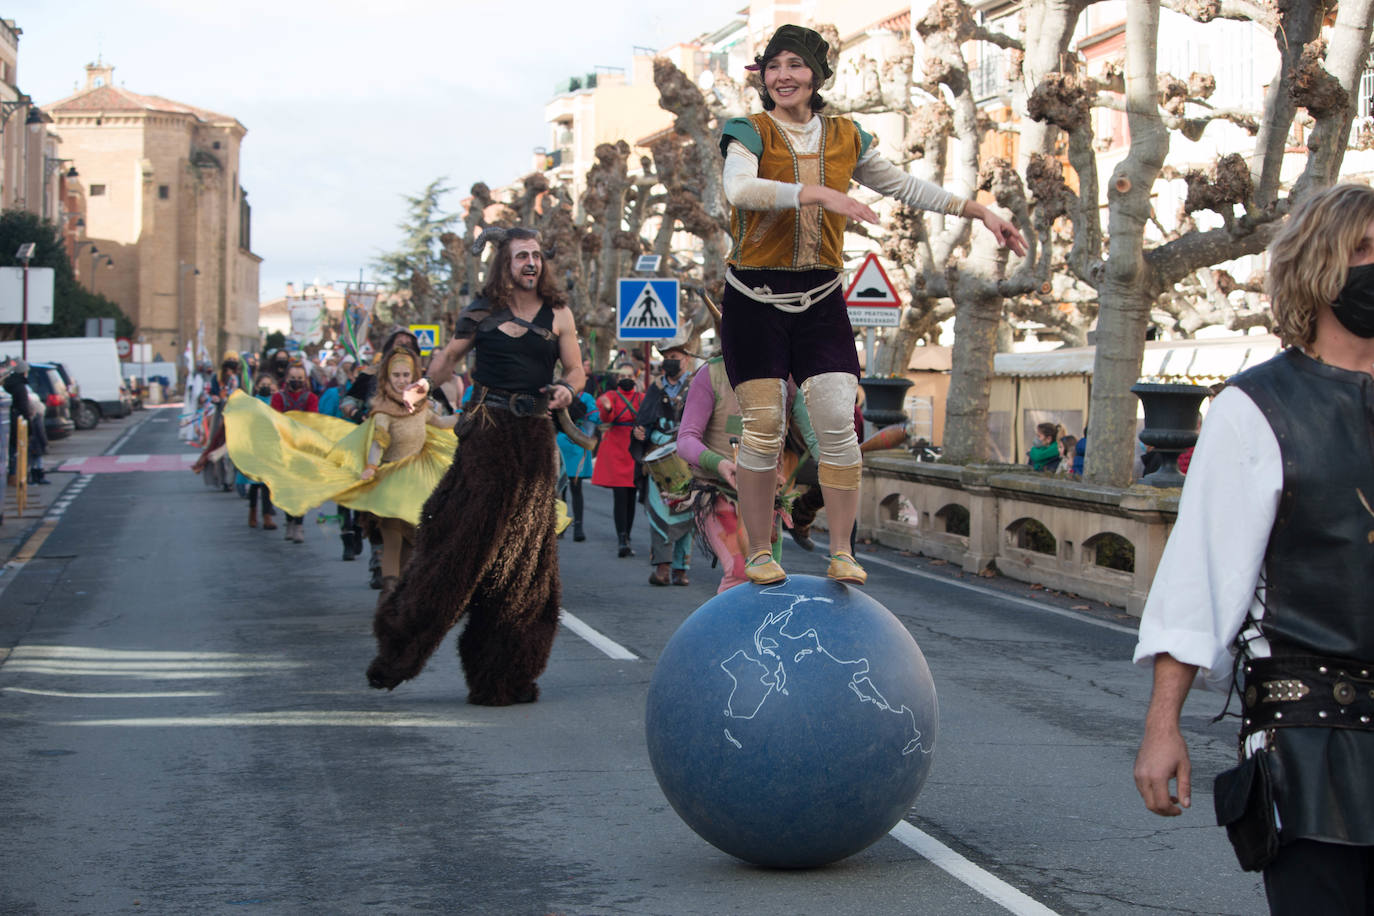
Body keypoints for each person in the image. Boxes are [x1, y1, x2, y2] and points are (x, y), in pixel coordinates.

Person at [1132, 183, 1374, 914]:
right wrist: (1162, 725)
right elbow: (1201, 577)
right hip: (1311, 734)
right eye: (1362, 250)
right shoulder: (1256, 408)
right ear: (1318, 267)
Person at [719, 24, 1028, 586]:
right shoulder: (748, 131)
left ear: (816, 73)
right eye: (774, 66)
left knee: (838, 420)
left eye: (796, 64)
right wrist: (814, 193)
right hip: (753, 298)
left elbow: (904, 186)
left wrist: (977, 210)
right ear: (763, 77)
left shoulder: (845, 137)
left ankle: (842, 552)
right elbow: (739, 190)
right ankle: (759, 551)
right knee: (765, 425)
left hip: (820, 297)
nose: (784, 76)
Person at [365, 226, 586, 705]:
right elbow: (448, 358)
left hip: (532, 440)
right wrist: (423, 387)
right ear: (503, 265)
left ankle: (502, 676)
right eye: (520, 256)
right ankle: (400, 645)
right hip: (486, 432)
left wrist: (569, 389)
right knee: (461, 546)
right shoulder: (481, 312)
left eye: (535, 255)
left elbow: (575, 369)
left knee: (524, 564)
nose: (530, 263)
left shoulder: (560, 314)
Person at [634, 333, 696, 586]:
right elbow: (644, 418)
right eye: (667, 357)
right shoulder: (655, 388)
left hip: (686, 458)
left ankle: (681, 569)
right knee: (658, 512)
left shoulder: (696, 386)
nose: (670, 362)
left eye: (675, 357)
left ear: (687, 360)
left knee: (686, 512)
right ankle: (662, 567)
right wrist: (639, 432)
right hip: (657, 460)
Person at [593, 365, 643, 558]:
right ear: (617, 378)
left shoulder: (641, 397)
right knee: (620, 496)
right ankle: (622, 538)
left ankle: (627, 537)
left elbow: (647, 418)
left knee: (631, 497)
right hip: (615, 448)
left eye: (629, 375)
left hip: (634, 450)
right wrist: (606, 408)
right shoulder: (610, 396)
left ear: (635, 377)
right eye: (622, 376)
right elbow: (605, 416)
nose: (625, 378)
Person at [270, 361, 319, 543]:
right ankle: (289, 520)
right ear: (287, 379)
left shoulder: (310, 398)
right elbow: (275, 419)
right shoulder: (278, 397)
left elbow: (312, 420)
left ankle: (299, 525)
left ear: (305, 379)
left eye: (299, 378)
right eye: (293, 378)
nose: (296, 381)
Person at [556, 359, 598, 543]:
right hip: (573, 443)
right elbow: (595, 418)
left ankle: (568, 526)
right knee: (570, 488)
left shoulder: (582, 397)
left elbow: (594, 417)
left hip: (568, 443)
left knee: (567, 487)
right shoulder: (585, 398)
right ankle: (572, 527)